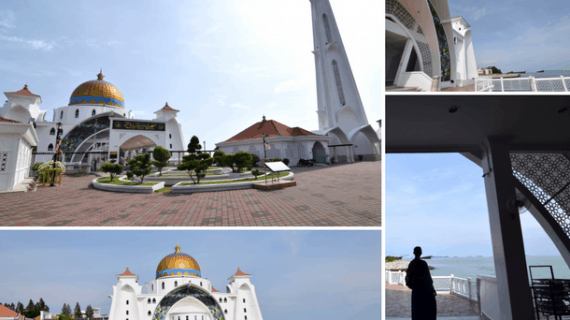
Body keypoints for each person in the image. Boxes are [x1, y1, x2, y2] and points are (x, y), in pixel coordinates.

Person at [406, 246, 437, 320]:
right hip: (425, 290)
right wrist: (433, 290)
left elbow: (408, 277)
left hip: (416, 290)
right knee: (428, 310)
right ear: (421, 253)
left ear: (414, 253)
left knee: (417, 310)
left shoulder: (411, 264)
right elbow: (428, 278)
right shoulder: (423, 263)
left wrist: (412, 286)